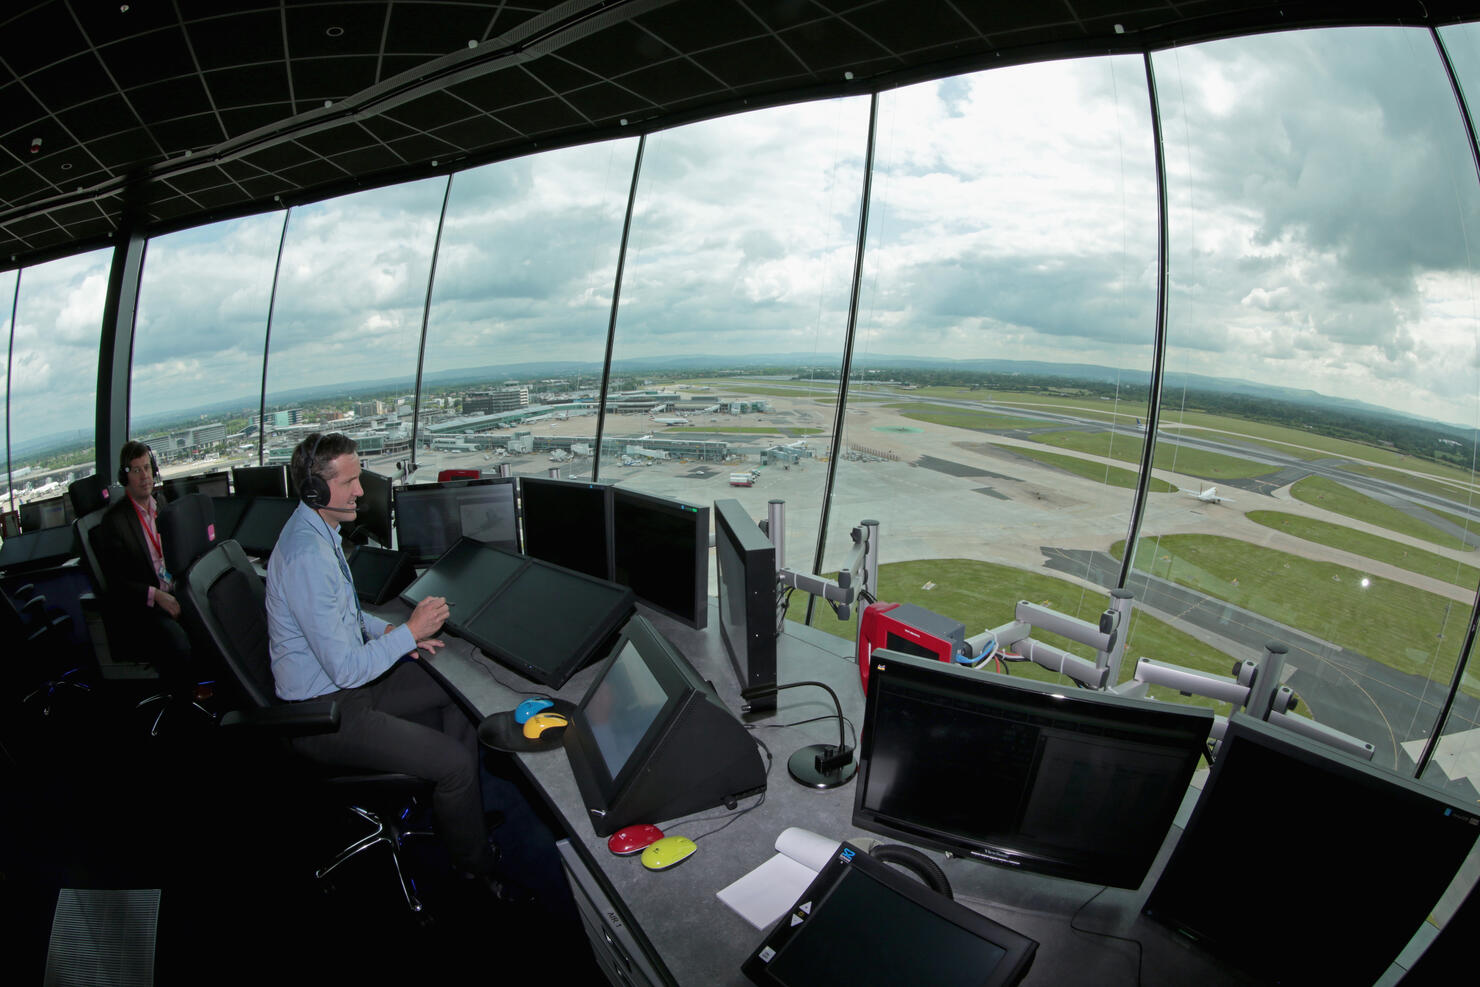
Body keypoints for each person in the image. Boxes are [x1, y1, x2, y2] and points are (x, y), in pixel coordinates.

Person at [264, 432, 500, 889]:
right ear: (315, 490)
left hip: (347, 688)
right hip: (326, 713)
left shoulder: (319, 530)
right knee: (454, 762)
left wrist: (390, 631)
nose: (360, 491)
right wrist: (411, 632)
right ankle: (475, 868)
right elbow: (347, 669)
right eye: (351, 481)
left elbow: (347, 615)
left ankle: (456, 812)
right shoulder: (307, 556)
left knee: (456, 691)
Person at [95, 441, 193, 690]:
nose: (144, 476)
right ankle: (184, 708)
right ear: (124, 476)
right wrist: (158, 596)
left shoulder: (161, 505)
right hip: (144, 609)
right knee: (180, 644)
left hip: (173, 591)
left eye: (147, 468)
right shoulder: (114, 522)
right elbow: (116, 583)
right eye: (136, 470)